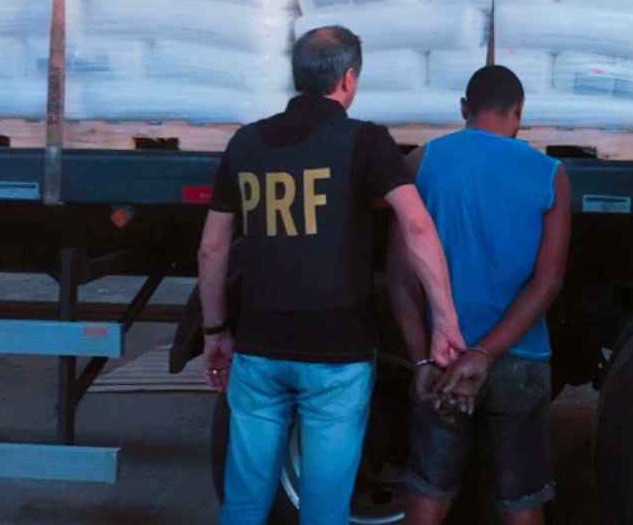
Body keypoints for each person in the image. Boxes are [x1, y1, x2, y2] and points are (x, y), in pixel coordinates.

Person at [197, 26, 464, 525]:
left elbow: (213, 247)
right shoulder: (364, 141)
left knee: (244, 503)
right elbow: (417, 226)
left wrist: (215, 331)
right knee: (324, 509)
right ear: (348, 78)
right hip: (336, 355)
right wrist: (445, 321)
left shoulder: (245, 143)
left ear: (298, 76)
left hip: (259, 347)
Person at [392, 65, 571, 525]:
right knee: (523, 502)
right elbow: (548, 282)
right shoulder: (550, 174)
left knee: (428, 496)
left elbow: (401, 279)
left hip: (444, 358)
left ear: (463, 109)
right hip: (521, 356)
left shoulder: (423, 162)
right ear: (519, 112)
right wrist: (485, 354)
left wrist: (422, 361)